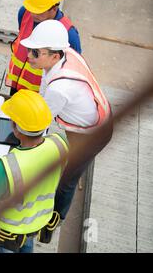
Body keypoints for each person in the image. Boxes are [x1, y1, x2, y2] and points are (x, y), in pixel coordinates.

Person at [19, 19, 112, 239]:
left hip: (91, 136)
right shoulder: (67, 54)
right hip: (86, 125)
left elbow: (39, 124)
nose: (29, 57)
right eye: (30, 51)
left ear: (53, 55)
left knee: (65, 182)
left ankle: (53, 220)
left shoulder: (59, 89)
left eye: (35, 53)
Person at [0, 90, 69, 253]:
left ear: (15, 128)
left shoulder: (7, 165)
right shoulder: (60, 142)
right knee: (27, 244)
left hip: (10, 228)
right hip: (39, 220)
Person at [5, 0, 82, 95]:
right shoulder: (24, 12)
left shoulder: (69, 33)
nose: (32, 14)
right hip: (17, 83)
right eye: (32, 9)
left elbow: (73, 67)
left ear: (54, 9)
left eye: (38, 11)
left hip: (40, 92)